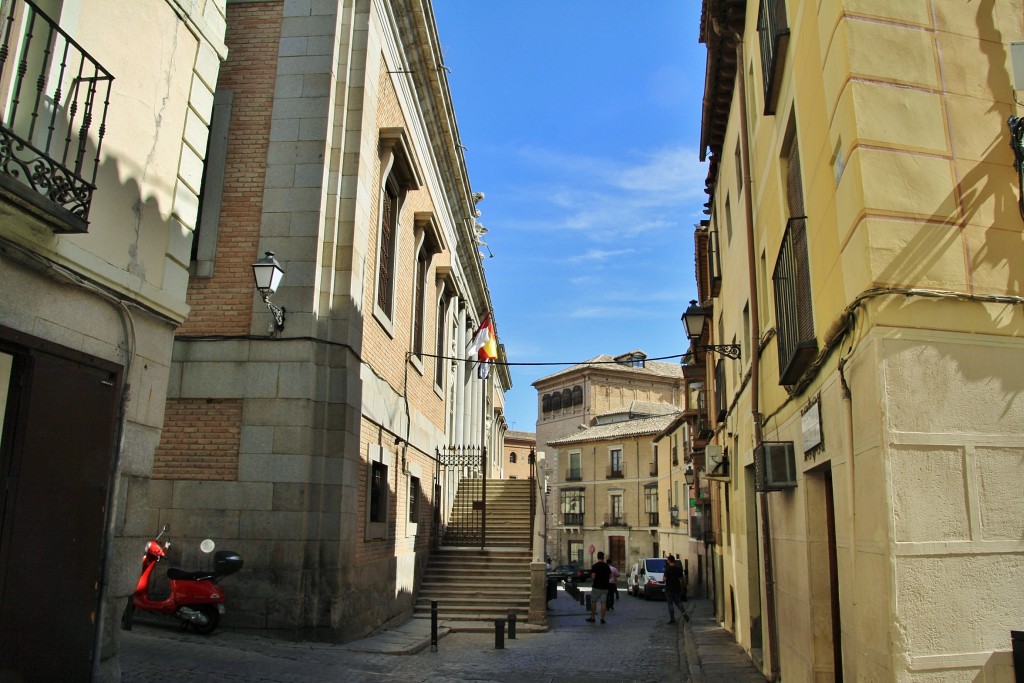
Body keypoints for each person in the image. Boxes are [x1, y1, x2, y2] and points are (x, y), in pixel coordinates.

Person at [586, 551, 612, 624]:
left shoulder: (594, 566)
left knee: (594, 602)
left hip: (596, 587)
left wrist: (593, 577)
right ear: (603, 557)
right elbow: (610, 576)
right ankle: (602, 619)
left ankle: (593, 617)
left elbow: (593, 577)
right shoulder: (607, 566)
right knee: (603, 602)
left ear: (597, 557)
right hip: (605, 587)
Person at [664, 554, 689, 624]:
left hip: (669, 589)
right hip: (677, 589)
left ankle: (672, 619)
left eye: (667, 561)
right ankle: (683, 612)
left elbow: (664, 579)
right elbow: (682, 579)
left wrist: (665, 578)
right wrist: (683, 588)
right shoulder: (678, 569)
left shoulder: (667, 569)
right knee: (678, 602)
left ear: (669, 561)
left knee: (670, 604)